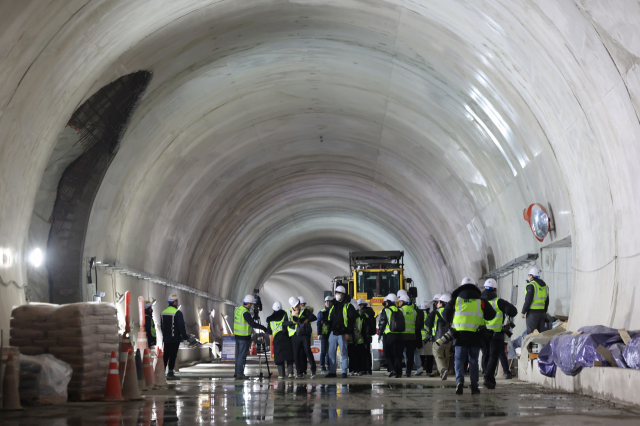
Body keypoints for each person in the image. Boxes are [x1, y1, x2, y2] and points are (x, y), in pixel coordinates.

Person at [442, 277, 496, 395]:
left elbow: (445, 316)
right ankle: (474, 386)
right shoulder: (481, 301)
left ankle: (459, 382)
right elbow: (492, 315)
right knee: (473, 361)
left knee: (459, 360)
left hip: (459, 335)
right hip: (475, 336)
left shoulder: (455, 300)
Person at [482, 278, 518, 388]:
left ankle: (486, 375)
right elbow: (513, 311)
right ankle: (488, 377)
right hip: (495, 333)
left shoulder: (479, 302)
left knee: (485, 354)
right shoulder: (498, 302)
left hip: (483, 333)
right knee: (493, 356)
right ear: (495, 290)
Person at [233, 294, 268, 379]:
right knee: (242, 356)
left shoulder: (238, 309)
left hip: (238, 335)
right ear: (248, 303)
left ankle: (237, 372)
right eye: (251, 304)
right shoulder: (245, 313)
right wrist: (262, 327)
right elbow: (252, 323)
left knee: (239, 355)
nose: (251, 306)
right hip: (243, 337)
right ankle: (239, 373)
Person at [326, 285, 357, 378]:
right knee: (331, 352)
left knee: (343, 353)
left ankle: (344, 372)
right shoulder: (333, 305)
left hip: (343, 333)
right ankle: (332, 371)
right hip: (333, 332)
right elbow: (330, 318)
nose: (337, 295)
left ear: (343, 295)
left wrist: (348, 332)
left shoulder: (348, 306)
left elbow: (351, 320)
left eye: (339, 293)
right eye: (336, 293)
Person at [160, 294, 189, 379]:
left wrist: (164, 335)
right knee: (173, 354)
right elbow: (181, 325)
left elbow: (162, 326)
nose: (178, 302)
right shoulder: (178, 313)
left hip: (166, 337)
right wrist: (184, 337)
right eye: (177, 301)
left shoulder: (163, 312)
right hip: (175, 338)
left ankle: (161, 373)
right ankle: (170, 372)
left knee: (166, 355)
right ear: (174, 302)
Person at [288, 296, 317, 378]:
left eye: (298, 304)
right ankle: (299, 372)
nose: (297, 306)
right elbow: (285, 323)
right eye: (295, 305)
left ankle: (313, 370)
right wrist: (293, 321)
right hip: (295, 336)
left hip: (304, 335)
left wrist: (306, 319)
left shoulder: (305, 311)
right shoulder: (288, 312)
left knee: (308, 351)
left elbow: (314, 317)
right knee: (296, 354)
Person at [377, 293, 404, 378]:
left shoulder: (386, 310)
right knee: (398, 354)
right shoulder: (400, 310)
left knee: (388, 353)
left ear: (388, 302)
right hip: (400, 335)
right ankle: (399, 372)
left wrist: (379, 334)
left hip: (389, 335)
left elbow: (382, 323)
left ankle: (392, 369)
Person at [266, 301, 295, 379]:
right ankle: (290, 373)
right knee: (289, 355)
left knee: (279, 356)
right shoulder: (285, 315)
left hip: (277, 339)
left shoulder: (270, 319)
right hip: (286, 336)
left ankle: (281, 374)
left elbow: (269, 331)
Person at [427, 293, 452, 380]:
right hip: (448, 339)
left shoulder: (435, 312)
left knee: (438, 355)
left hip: (438, 340)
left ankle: (443, 370)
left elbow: (427, 323)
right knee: (446, 356)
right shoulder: (451, 313)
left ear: (441, 303)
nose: (436, 304)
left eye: (438, 302)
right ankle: (445, 371)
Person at [521, 267, 550, 334]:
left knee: (531, 334)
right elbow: (547, 301)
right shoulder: (545, 286)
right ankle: (541, 345)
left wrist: (523, 312)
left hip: (532, 314)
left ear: (532, 276)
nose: (529, 277)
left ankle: (533, 345)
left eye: (529, 275)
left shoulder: (532, 285)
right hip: (542, 313)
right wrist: (544, 312)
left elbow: (528, 300)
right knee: (541, 334)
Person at [358, 298, 376, 375]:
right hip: (369, 335)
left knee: (363, 353)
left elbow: (363, 326)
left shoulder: (362, 313)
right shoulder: (371, 312)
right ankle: (369, 369)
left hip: (364, 335)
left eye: (359, 305)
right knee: (367, 353)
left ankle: (365, 369)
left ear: (362, 305)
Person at [317, 296, 333, 374]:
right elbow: (318, 324)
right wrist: (319, 333)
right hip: (324, 334)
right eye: (326, 302)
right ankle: (323, 367)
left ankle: (328, 366)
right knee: (323, 351)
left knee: (329, 352)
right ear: (324, 303)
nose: (328, 303)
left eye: (329, 302)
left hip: (331, 334)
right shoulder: (321, 312)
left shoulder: (333, 311)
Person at [417, 301, 434, 374]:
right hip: (429, 338)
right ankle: (429, 371)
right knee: (430, 355)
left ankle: (421, 369)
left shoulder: (419, 315)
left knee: (421, 355)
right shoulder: (431, 315)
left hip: (421, 338)